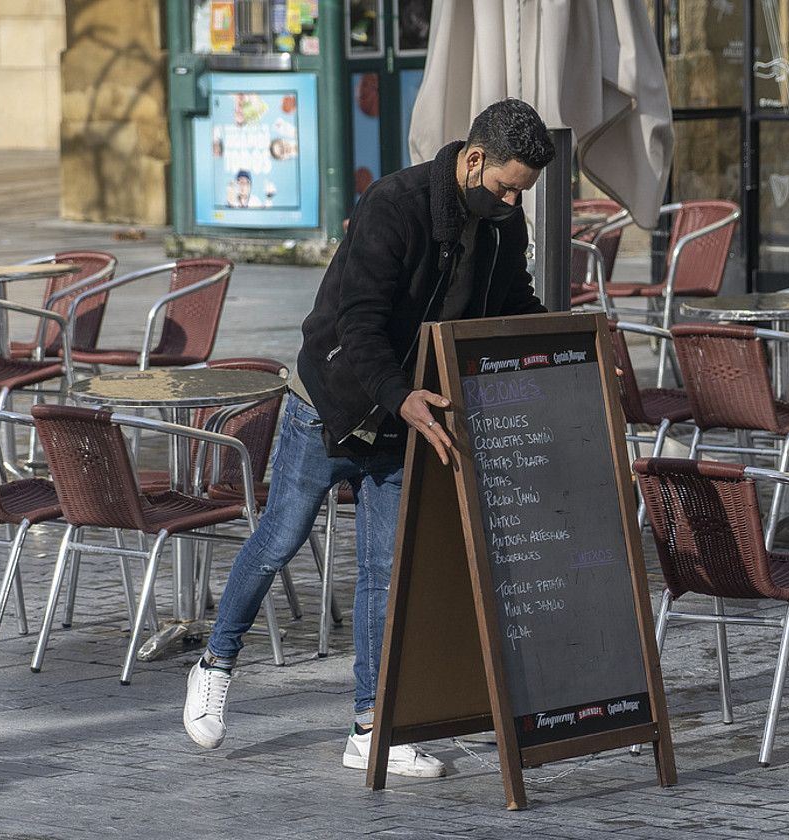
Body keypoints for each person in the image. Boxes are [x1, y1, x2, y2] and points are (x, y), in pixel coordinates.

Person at [182, 99, 555, 777]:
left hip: (408, 415)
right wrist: (399, 395)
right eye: (504, 187)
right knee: (280, 538)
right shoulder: (396, 203)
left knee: (386, 573)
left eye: (519, 194)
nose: (509, 202)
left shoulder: (503, 222)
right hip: (333, 400)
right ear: (474, 159)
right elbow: (359, 324)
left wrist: (568, 338)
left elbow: (513, 302)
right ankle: (217, 660)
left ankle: (369, 726)